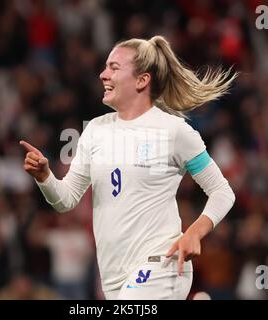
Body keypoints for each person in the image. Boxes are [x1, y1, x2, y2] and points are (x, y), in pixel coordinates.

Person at [20, 35, 237, 300]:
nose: (102, 74)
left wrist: (194, 232)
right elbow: (66, 200)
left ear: (141, 80)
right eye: (105, 67)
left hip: (161, 263)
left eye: (113, 67)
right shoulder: (94, 131)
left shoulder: (174, 131)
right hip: (113, 275)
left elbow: (222, 192)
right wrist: (45, 177)